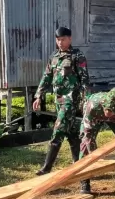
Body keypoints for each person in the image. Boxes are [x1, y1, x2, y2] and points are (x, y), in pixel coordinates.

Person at [32, 26, 90, 176]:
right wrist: (39, 96)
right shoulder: (54, 57)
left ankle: (46, 168)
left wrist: (86, 100)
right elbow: (46, 77)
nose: (60, 42)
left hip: (70, 101)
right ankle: (78, 164)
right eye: (58, 39)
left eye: (63, 39)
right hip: (58, 101)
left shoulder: (78, 56)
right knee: (71, 133)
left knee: (58, 131)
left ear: (70, 39)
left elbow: (85, 80)